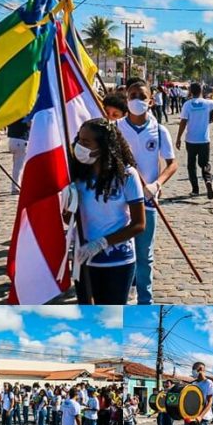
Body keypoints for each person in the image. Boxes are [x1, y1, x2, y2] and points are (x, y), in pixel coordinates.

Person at [70, 118, 146, 304]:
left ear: (103, 146)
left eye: (86, 142)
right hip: (84, 260)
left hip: (118, 261)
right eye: (79, 140)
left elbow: (139, 224)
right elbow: (69, 217)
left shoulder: (127, 176)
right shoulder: (78, 175)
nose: (80, 146)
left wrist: (101, 243)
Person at [116, 81, 178, 305]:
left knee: (144, 255)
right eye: (132, 96)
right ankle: (124, 293)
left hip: (147, 200)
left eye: (141, 96)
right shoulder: (116, 129)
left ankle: (145, 301)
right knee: (123, 252)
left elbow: (172, 163)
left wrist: (157, 184)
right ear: (126, 99)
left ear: (150, 101)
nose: (136, 100)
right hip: (119, 202)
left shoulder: (159, 131)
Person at [176, 84, 213, 199]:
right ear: (201, 90)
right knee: (205, 164)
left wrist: (178, 138)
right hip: (204, 140)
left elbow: (183, 122)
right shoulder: (208, 103)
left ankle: (195, 190)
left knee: (191, 165)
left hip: (191, 140)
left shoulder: (187, 104)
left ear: (190, 91)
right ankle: (207, 181)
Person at [6, 118, 30, 192]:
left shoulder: (13, 112)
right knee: (19, 166)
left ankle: (17, 184)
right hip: (21, 140)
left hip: (12, 139)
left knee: (17, 164)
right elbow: (29, 123)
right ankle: (16, 187)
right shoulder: (24, 112)